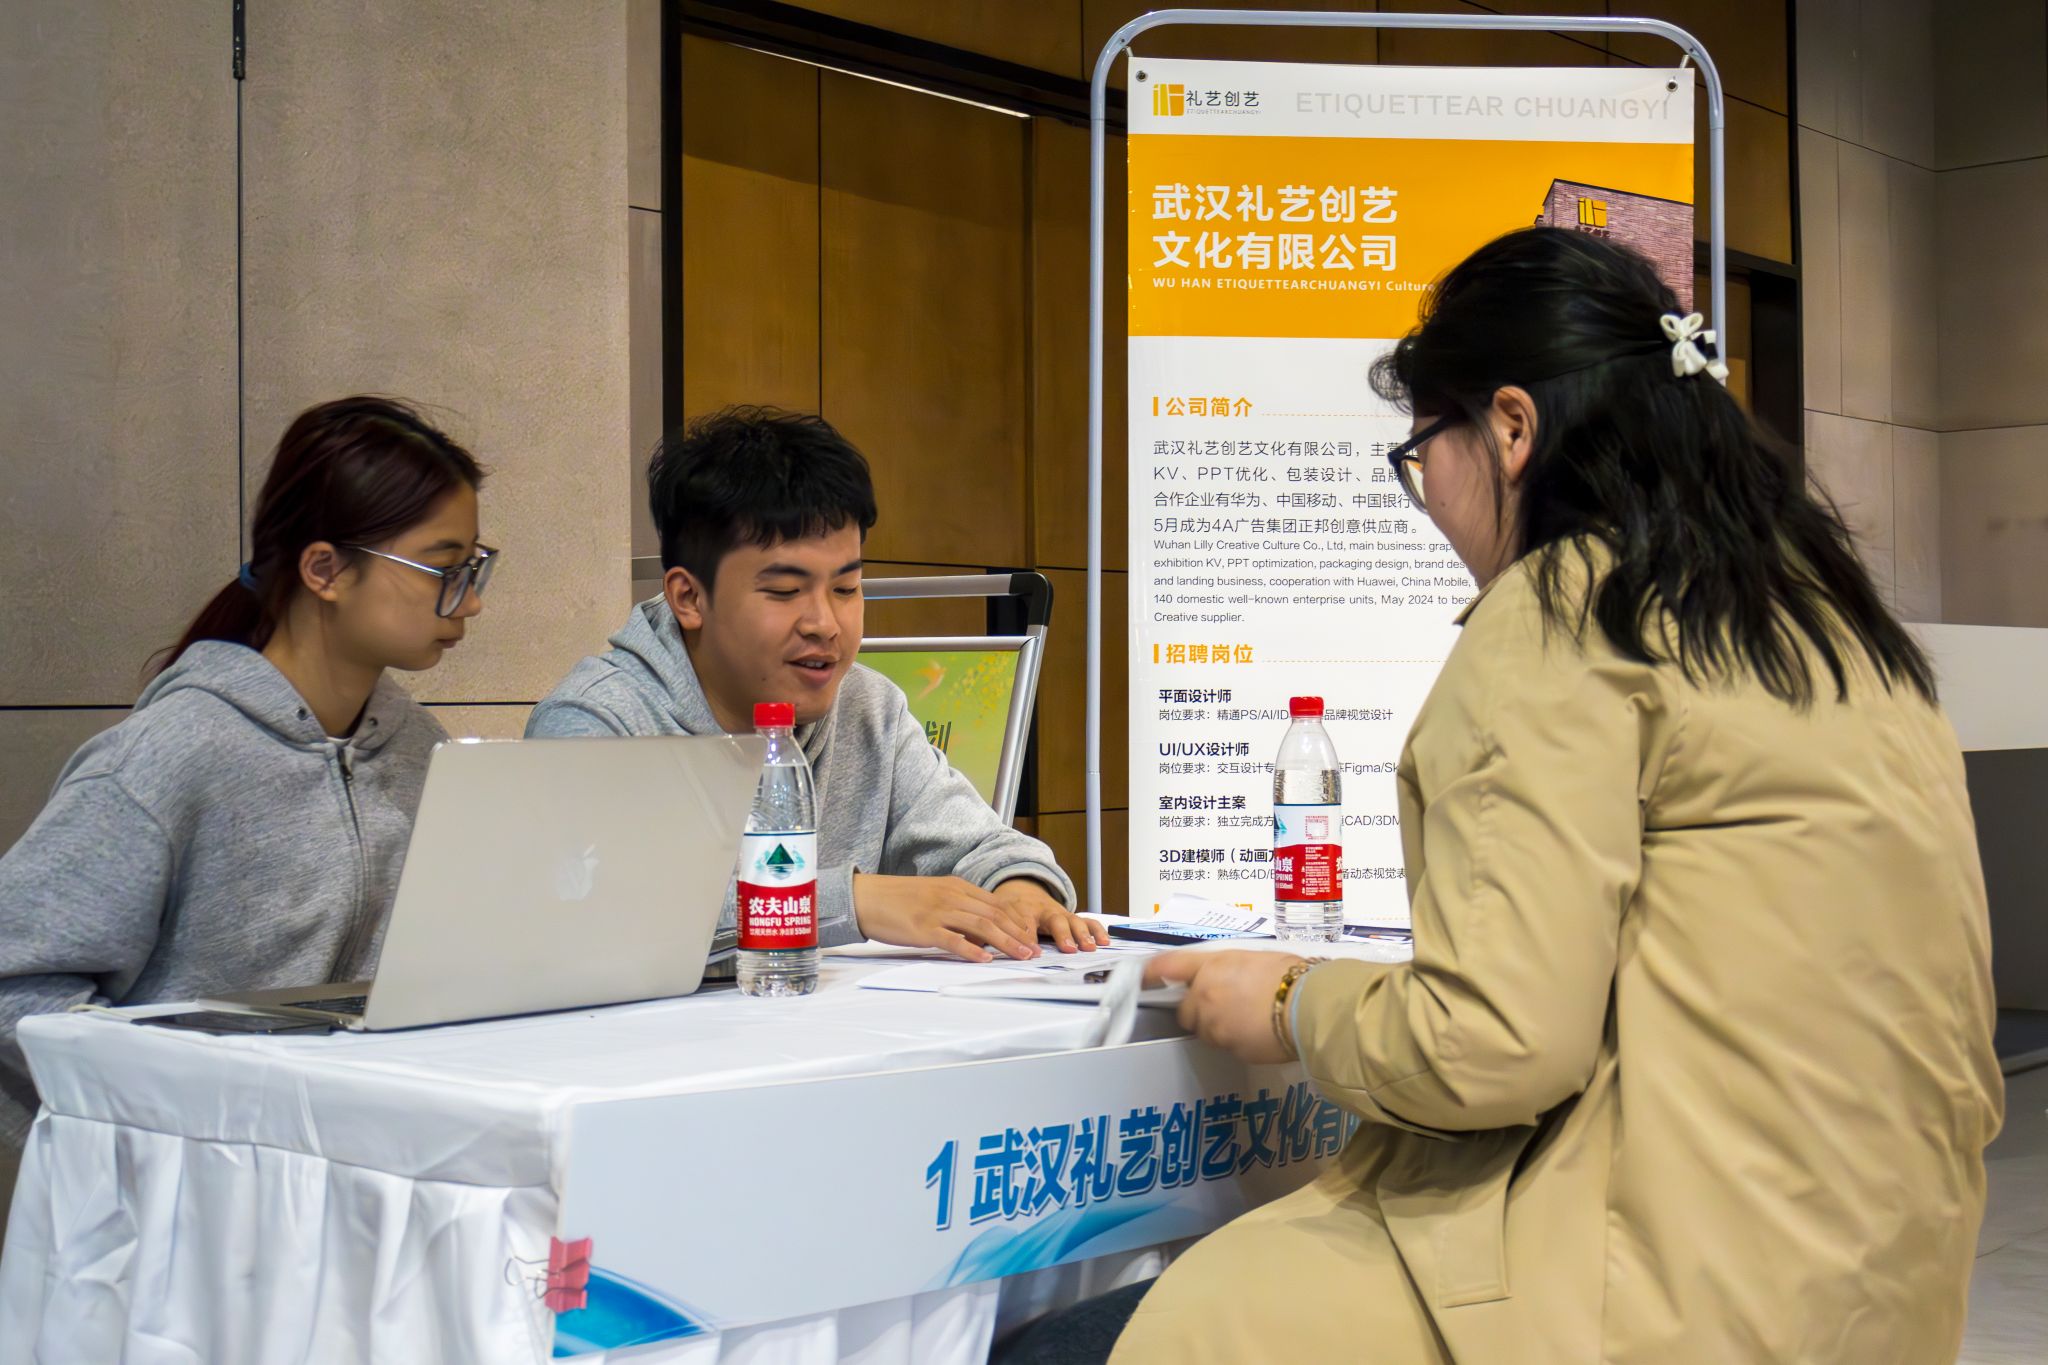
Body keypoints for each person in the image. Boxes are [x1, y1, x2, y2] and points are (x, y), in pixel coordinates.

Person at [1006, 227, 2003, 1364]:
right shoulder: (1829, 623)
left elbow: (1492, 1043)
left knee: (1065, 1346)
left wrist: (1288, 1002)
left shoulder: (1569, 611)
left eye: (1422, 449)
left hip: (1652, 1293)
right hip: (1874, 1288)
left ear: (1512, 428)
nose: (1426, 493)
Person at [0, 396, 494, 1209]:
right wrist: (177, 1129)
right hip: (190, 1219)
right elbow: (16, 986)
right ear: (325, 570)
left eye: (474, 569)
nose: (470, 602)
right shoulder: (168, 757)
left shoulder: (422, 752)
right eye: (444, 570)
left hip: (360, 1196)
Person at [527, 406, 1103, 962]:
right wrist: (850, 901)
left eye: (846, 589)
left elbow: (986, 847)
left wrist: (1020, 890)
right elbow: (597, 914)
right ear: (689, 597)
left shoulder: (868, 707)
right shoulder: (599, 723)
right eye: (784, 592)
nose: (825, 624)